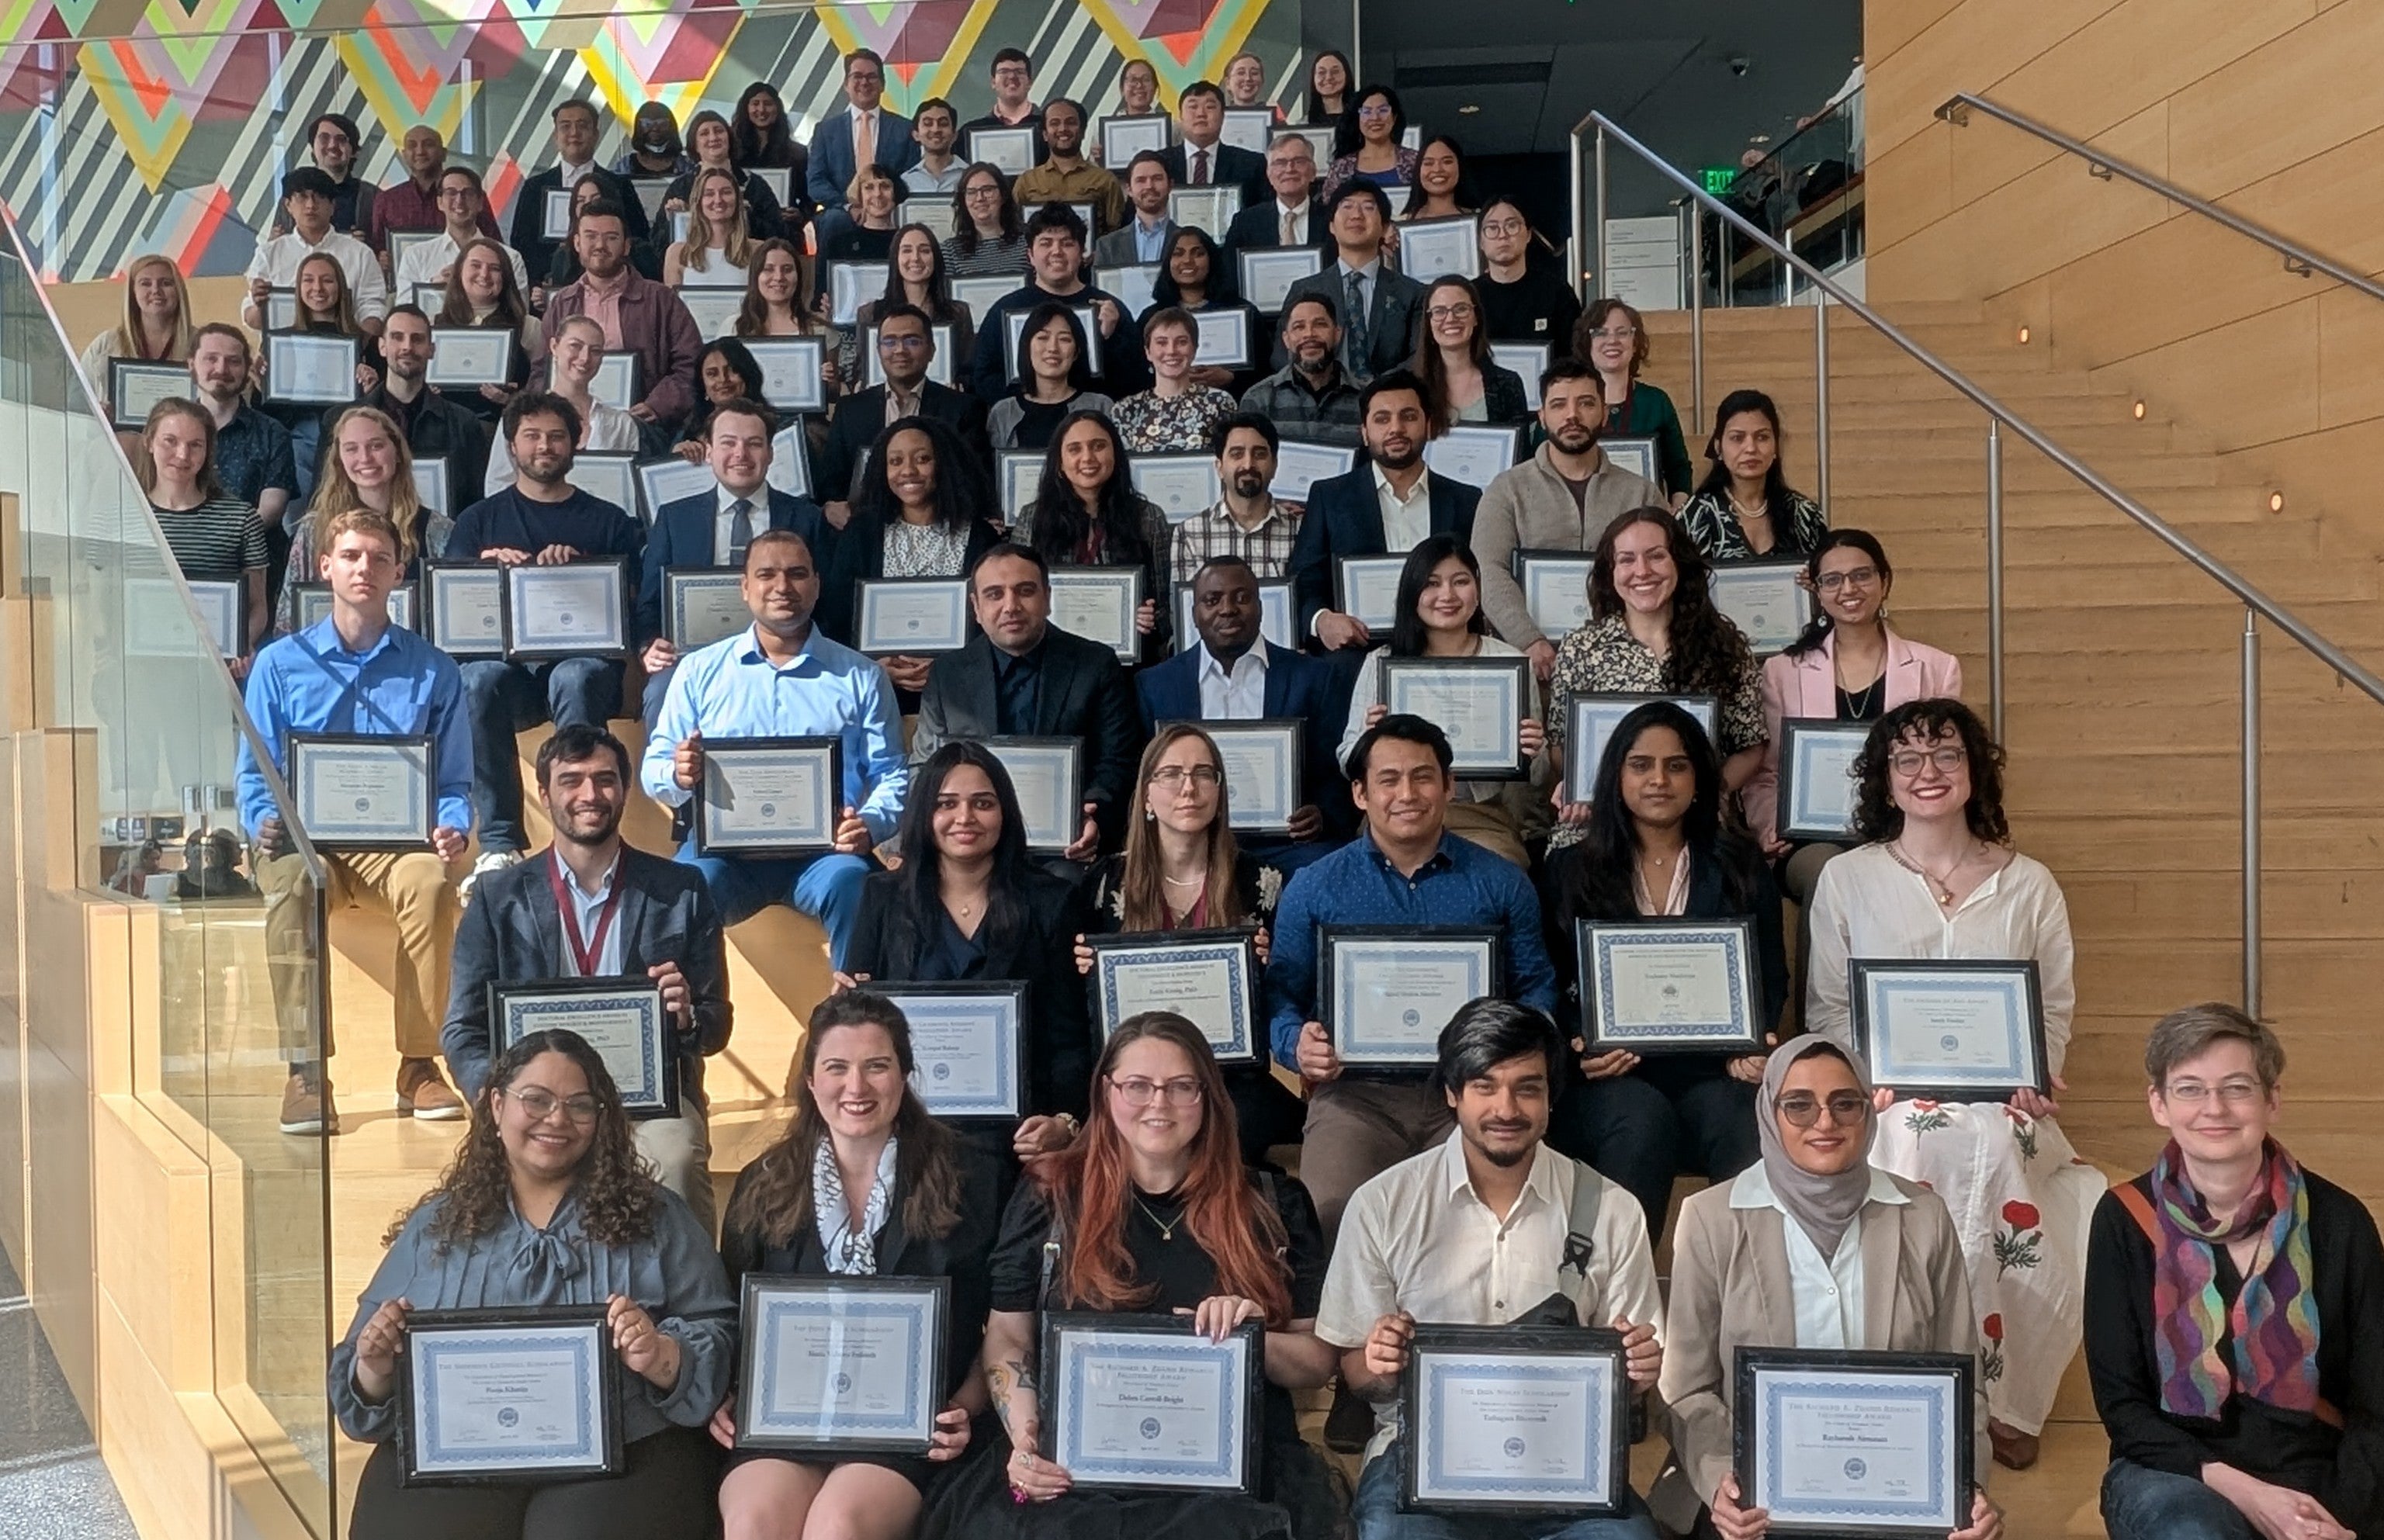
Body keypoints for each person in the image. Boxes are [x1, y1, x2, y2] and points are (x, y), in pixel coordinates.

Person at [1804, 697, 2101, 1472]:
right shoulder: (1847, 877)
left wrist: (2035, 1074)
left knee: (2000, 1140)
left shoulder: (2029, 883)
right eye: (1907, 758)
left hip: (2007, 1101)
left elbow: (2054, 1001)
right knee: (1907, 1139)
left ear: (1974, 773)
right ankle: (1913, 1378)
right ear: (1885, 778)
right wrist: (1863, 1085)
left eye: (1945, 755)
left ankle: (2000, 1394)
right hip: (1887, 1098)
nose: (1927, 771)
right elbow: (1830, 1007)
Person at [938, 1012, 1343, 1540]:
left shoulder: (1273, 1202)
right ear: (1106, 1092)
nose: (1159, 1103)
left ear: (1209, 1095)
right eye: (1138, 1085)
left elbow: (1317, 1360)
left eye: (1181, 1086)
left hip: (1230, 1466)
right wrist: (1026, 1436)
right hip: (1076, 1459)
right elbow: (1009, 1334)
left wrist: (1251, 1339)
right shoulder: (1049, 1194)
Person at [334, 1030, 733, 1540]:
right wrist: (374, 1366)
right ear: (497, 1105)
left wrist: (660, 1354)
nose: (557, 1119)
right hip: (459, 1455)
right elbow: (358, 1378)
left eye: (579, 1104)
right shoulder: (438, 1225)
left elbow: (719, 1334)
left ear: (602, 1117)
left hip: (629, 1452)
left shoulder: (659, 1218)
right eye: (536, 1100)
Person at [1318, 997, 1667, 1536]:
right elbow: (1356, 1372)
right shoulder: (1384, 1203)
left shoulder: (1612, 1209)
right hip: (1420, 1459)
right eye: (1484, 1085)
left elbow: (1635, 1377)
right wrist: (1378, 1361)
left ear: (1552, 1098)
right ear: (1453, 1094)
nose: (1507, 1108)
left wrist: (1640, 1370)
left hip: (1566, 1464)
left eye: (1528, 1087)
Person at [1655, 1037, 2004, 1540]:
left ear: (1868, 1110)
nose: (1825, 1121)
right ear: (1769, 1112)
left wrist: (1966, 1486)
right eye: (1798, 1105)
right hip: (1757, 1492)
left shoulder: (1923, 1215)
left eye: (1845, 1102)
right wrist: (1721, 1483)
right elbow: (1687, 1387)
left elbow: (1962, 1384)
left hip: (1896, 1487)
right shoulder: (1711, 1217)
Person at [2088, 1004, 2384, 1540]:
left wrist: (2337, 1519)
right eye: (2190, 1088)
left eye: (2237, 1087)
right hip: (2175, 1473)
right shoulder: (2123, 1220)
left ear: (2273, 1099)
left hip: (2321, 1469)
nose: (2215, 1108)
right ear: (2159, 1103)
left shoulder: (2341, 1221)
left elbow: (2377, 1399)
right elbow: (2122, 1407)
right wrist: (2251, 1494)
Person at [715, 991, 1000, 1539]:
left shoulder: (971, 1179)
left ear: (905, 1073)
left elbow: (1003, 1320)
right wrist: (727, 1392)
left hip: (905, 1426)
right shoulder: (762, 1181)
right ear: (810, 1080)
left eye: (877, 1066)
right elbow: (733, 1313)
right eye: (837, 1068)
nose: (857, 1087)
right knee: (754, 1521)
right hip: (788, 1422)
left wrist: (967, 1404)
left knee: (837, 1524)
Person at [1265, 713, 1558, 1241]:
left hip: (1471, 1094)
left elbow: (1536, 988)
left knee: (1490, 1232)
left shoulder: (1501, 883)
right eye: (1389, 779)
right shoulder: (1313, 887)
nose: (1408, 793)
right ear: (1359, 793)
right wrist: (1296, 1044)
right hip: (1356, 1096)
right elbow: (1282, 1000)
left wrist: (1513, 1056)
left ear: (1448, 785)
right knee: (1330, 1219)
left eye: (1423, 777)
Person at [239, 507, 472, 1133]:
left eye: (377, 557)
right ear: (324, 567)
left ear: (399, 572)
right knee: (292, 884)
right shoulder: (279, 664)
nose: (363, 567)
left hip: (392, 844)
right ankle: (307, 1072)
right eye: (350, 556)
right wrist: (262, 818)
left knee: (429, 881)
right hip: (302, 838)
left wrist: (451, 823)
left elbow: (453, 781)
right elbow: (254, 769)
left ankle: (418, 1066)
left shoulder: (434, 670)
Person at [443, 727, 733, 1226]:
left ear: (624, 790)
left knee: (677, 1158)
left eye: (604, 780)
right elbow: (462, 1031)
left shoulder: (681, 889)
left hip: (648, 1103)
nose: (589, 795)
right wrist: (497, 1099)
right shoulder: (497, 899)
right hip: (534, 1105)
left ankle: (695, 1299)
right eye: (571, 781)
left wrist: (686, 1018)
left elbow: (716, 1025)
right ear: (544, 793)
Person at [1542, 701, 1783, 1235]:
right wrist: (1579, 1046)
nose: (1658, 779)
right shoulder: (1570, 870)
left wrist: (1754, 1043)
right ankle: (1614, 1302)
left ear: (1699, 777)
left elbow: (1770, 972)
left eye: (1676, 765)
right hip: (1610, 1077)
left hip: (1713, 1070)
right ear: (1616, 776)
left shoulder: (1741, 865)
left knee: (1743, 1117)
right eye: (1640, 764)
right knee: (1640, 1120)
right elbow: (1551, 980)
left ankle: (1751, 1302)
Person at [643, 529, 908, 967]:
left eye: (797, 574)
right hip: (725, 857)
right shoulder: (698, 672)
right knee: (686, 888)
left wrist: (870, 824)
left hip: (825, 856)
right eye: (766, 574)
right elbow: (654, 767)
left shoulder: (861, 677)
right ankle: (693, 1024)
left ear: (817, 585)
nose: (782, 587)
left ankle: (858, 1017)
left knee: (856, 886)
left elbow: (891, 773)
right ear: (745, 588)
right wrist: (678, 774)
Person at [838, 742, 1094, 1174]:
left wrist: (1064, 1121)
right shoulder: (881, 897)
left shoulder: (1053, 901)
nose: (965, 818)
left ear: (1005, 813)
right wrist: (846, 1004)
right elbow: (861, 1017)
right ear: (924, 815)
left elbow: (1070, 1037)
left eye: (983, 803)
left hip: (1017, 1134)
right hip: (909, 1123)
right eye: (946, 804)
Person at [1073, 725, 1301, 1163]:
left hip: (1228, 1078)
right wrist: (1086, 971)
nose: (1189, 788)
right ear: (1145, 796)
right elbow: (1080, 1007)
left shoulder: (1262, 882)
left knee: (1235, 1127)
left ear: (1219, 791)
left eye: (1203, 773)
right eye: (1171, 774)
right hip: (1136, 1078)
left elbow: (1285, 995)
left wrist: (1267, 967)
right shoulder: (1104, 882)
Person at [449, 393, 647, 887]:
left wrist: (583, 569)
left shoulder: (608, 520)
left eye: (556, 436)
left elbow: (633, 603)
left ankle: (583, 832)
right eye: (532, 436)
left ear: (576, 442)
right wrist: (483, 571)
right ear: (512, 446)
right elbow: (450, 608)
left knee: (576, 674)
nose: (545, 446)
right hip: (511, 678)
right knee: (475, 679)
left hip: (583, 669)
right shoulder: (478, 522)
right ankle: (500, 845)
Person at [1743, 531, 1962, 911]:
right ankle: (1826, 975)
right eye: (1833, 580)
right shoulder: (1782, 671)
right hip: (1812, 841)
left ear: (1885, 581)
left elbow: (1947, 766)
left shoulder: (1936, 668)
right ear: (1818, 591)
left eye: (1862, 575)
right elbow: (1766, 774)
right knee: (1830, 872)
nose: (1849, 589)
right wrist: (1768, 827)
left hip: (1906, 829)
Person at [1544, 508, 1766, 852]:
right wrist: (1580, 786)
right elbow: (1561, 747)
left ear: (1679, 562)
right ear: (1611, 572)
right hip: (1600, 819)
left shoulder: (1725, 647)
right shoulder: (1580, 648)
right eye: (1627, 560)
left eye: (1656, 556)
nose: (1642, 571)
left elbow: (1751, 747)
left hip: (1698, 819)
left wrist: (1704, 793)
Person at [910, 544, 1142, 863]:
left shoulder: (1096, 665)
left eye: (1025, 591)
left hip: (1064, 849)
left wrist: (1092, 815)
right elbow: (926, 766)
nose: (1011, 606)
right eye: (994, 594)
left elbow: (1118, 760)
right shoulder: (948, 674)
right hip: (970, 846)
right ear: (975, 608)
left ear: (1047, 598)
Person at [1337, 537, 1543, 867]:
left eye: (1460, 582)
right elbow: (1347, 759)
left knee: (1498, 873)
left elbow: (1537, 778)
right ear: (1412, 593)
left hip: (1481, 817)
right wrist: (1368, 742)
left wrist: (1535, 752)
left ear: (1477, 591)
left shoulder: (1511, 664)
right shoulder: (1381, 663)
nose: (1447, 595)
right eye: (1432, 584)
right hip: (1396, 814)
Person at [1135, 555, 1349, 865]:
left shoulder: (1314, 677)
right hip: (1189, 843)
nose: (1228, 609)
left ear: (1261, 607)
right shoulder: (1155, 685)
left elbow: (1336, 771)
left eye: (1242, 598)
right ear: (1194, 614)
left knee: (1325, 866)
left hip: (1286, 845)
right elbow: (1142, 776)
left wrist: (1322, 813)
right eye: (1212, 600)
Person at [1469, 358, 1665, 680]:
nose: (1572, 415)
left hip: (1625, 664)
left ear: (1604, 412)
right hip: (1533, 664)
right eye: (1559, 405)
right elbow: (1487, 570)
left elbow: (1663, 569)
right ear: (1542, 417)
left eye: (1586, 403)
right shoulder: (1506, 489)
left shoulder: (1641, 493)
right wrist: (1527, 639)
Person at [634, 399, 829, 721]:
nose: (741, 454)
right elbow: (648, 603)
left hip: (784, 654)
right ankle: (664, 774)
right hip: (693, 658)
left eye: (754, 444)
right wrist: (648, 646)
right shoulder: (674, 519)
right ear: (709, 451)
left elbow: (827, 602)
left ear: (771, 453)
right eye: (728, 443)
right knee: (660, 691)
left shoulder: (806, 519)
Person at [1288, 369, 1481, 650]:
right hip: (1357, 651)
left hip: (1447, 649)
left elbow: (1480, 577)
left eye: (1409, 416)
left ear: (1428, 425)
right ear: (1364, 433)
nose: (1396, 429)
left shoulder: (1467, 500)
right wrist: (1322, 619)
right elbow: (1305, 579)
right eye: (1382, 419)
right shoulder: (1329, 496)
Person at [817, 416, 1005, 670]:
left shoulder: (981, 537)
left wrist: (947, 669)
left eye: (922, 459)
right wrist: (874, 667)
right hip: (876, 678)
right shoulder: (861, 533)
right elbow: (838, 616)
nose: (908, 471)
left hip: (962, 683)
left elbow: (992, 621)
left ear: (944, 464)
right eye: (896, 461)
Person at [277, 403, 452, 635]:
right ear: (339, 460)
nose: (365, 458)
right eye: (351, 449)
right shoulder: (313, 529)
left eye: (376, 446)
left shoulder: (437, 530)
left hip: (410, 664)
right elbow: (287, 621)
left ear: (398, 452)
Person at [1012, 410, 1168, 656]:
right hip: (1052, 658)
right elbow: (1020, 592)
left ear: (1115, 453)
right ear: (1059, 463)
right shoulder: (1032, 519)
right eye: (1075, 449)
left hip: (1126, 664)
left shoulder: (1149, 518)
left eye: (1098, 446)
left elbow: (1166, 605)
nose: (1088, 457)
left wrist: (1151, 618)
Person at [816, 306, 993, 521]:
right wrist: (834, 508)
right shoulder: (850, 410)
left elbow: (972, 482)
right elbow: (830, 483)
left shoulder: (963, 409)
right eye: (889, 342)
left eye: (912, 341)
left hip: (940, 522)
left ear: (932, 350)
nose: (900, 350)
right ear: (879, 351)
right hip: (866, 526)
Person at [538, 199, 702, 430]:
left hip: (644, 425)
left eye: (611, 237)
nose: (600, 245)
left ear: (626, 246)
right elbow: (540, 372)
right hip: (570, 426)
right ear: (576, 243)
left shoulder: (662, 300)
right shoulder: (561, 304)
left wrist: (658, 405)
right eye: (591, 236)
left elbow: (691, 364)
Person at [136, 397, 270, 670]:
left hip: (215, 671)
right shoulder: (120, 517)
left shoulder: (241, 519)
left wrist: (240, 647)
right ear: (149, 442)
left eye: (195, 445)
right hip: (139, 669)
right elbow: (102, 602)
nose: (183, 455)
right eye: (170, 441)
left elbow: (258, 607)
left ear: (208, 451)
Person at [315, 305, 490, 513]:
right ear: (382, 346)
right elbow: (323, 498)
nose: (407, 347)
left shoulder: (463, 423)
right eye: (397, 337)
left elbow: (477, 505)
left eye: (417, 339)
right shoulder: (338, 420)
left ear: (431, 350)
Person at [966, 206, 1145, 403]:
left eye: (1067, 244)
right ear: (1030, 255)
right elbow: (983, 379)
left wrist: (1110, 340)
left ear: (1082, 253)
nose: (1056, 251)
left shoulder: (1110, 310)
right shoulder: (1005, 310)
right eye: (1046, 243)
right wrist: (1033, 402)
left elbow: (1135, 383)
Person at [261, 251, 383, 507]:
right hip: (297, 441)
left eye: (327, 280)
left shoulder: (365, 342)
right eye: (308, 280)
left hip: (346, 440)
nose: (317, 288)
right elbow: (268, 412)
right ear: (298, 288)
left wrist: (371, 389)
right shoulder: (279, 342)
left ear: (340, 286)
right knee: (300, 519)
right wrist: (258, 384)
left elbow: (379, 408)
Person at [1279, 181, 1426, 379]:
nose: (1356, 215)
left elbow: (1420, 355)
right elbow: (1281, 355)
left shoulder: (1412, 293)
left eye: (1368, 207)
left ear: (1384, 228)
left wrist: (1379, 390)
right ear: (1331, 226)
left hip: (1389, 400)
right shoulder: (1304, 289)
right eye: (1347, 206)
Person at [483, 314, 643, 492]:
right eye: (575, 346)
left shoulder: (622, 424)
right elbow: (498, 484)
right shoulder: (519, 415)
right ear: (554, 346)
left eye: (595, 351)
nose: (585, 358)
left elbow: (627, 490)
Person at [509, 99, 653, 283]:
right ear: (555, 136)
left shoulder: (620, 185)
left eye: (582, 126)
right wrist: (545, 280)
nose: (574, 133)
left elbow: (638, 237)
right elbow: (522, 243)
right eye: (566, 126)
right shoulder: (535, 187)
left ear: (596, 134)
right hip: (548, 291)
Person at [1678, 389, 1829, 562]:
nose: (1750, 448)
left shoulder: (1804, 515)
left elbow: (1826, 576)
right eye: (1737, 438)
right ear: (1718, 447)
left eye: (1762, 437)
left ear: (1776, 445)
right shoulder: (1696, 514)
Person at [244, 166, 390, 333]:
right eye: (302, 197)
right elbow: (251, 318)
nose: (310, 205)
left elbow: (373, 309)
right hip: (284, 351)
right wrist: (259, 306)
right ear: (288, 205)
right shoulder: (268, 253)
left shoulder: (361, 254)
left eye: (319, 197)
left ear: (332, 206)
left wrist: (356, 347)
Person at [188, 324, 297, 542]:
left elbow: (272, 511)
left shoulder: (273, 434)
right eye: (211, 359)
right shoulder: (171, 431)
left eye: (234, 361)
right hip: (183, 552)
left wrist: (223, 543)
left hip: (254, 558)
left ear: (248, 368)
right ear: (191, 364)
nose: (222, 369)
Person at [1576, 299, 1693, 504]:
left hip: (1645, 520)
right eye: (1601, 333)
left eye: (1622, 333)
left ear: (1635, 342)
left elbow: (1678, 469)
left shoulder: (1656, 401)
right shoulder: (1571, 402)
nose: (1612, 340)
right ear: (1588, 343)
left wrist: (1677, 510)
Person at [841, 223, 972, 392]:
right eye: (907, 250)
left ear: (936, 258)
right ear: (895, 258)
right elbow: (859, 372)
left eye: (925, 251)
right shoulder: (870, 313)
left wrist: (959, 385)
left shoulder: (958, 313)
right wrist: (861, 384)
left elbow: (970, 371)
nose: (915, 258)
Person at [1172, 412, 1302, 580]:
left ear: (1275, 465)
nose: (1248, 464)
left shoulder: (1299, 531)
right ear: (1219, 467)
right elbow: (1185, 604)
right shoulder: (1188, 533)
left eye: (1259, 454)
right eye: (1237, 454)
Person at [434, 235, 540, 424]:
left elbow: (542, 389)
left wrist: (512, 400)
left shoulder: (529, 326)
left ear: (505, 276)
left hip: (504, 429)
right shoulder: (433, 324)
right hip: (445, 429)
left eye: (495, 269)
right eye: (476, 265)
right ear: (459, 271)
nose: (484, 275)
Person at [1239, 291, 1364, 447]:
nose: (1309, 334)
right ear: (1286, 339)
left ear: (1337, 334)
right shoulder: (1258, 398)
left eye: (1320, 324)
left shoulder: (1367, 398)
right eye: (1299, 327)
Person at [986, 304, 1114, 452]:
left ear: (1077, 352)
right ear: (1026, 347)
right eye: (1042, 337)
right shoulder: (1003, 412)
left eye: (1064, 339)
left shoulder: (1101, 406)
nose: (1053, 348)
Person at [1110, 306, 1239, 452]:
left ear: (1195, 349)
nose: (1171, 351)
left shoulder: (1219, 402)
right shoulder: (1125, 410)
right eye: (1162, 343)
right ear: (1148, 352)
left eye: (1182, 342)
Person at [657, 110, 788, 253]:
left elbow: (780, 236)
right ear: (695, 145)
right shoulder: (681, 188)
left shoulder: (754, 185)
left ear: (729, 139)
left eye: (719, 131)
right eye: (704, 133)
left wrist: (748, 217)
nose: (713, 137)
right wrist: (671, 222)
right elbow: (657, 245)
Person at [810, 50, 920, 219]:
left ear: (883, 85)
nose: (864, 82)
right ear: (846, 84)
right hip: (842, 214)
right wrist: (847, 207)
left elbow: (911, 178)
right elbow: (816, 182)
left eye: (871, 77)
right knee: (832, 222)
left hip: (892, 213)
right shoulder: (825, 131)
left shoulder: (905, 129)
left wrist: (883, 206)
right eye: (857, 76)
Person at [1148, 227, 1260, 393]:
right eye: (1178, 253)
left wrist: (1232, 378)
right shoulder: (1151, 317)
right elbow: (1137, 374)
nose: (1187, 260)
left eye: (1197, 253)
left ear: (1212, 259)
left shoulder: (1244, 312)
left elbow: (1264, 372)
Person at [392, 164, 528, 298]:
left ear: (481, 202)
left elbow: (520, 314)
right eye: (451, 193)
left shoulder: (510, 258)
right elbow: (404, 311)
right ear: (440, 202)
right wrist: (433, 286)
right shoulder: (415, 255)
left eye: (467, 193)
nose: (459, 200)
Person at [1411, 275, 1526, 427]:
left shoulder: (1508, 384)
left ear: (1476, 317)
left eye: (1461, 309)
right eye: (1439, 311)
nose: (1450, 318)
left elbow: (1519, 447)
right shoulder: (1408, 385)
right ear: (1428, 322)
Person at [78, 251, 195, 395]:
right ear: (133, 293)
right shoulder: (105, 346)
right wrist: (100, 411)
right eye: (145, 283)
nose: (156, 290)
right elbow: (77, 401)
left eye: (166, 283)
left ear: (178, 291)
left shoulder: (201, 344)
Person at [1475, 196, 1583, 348]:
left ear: (1528, 234)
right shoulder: (1469, 297)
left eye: (1512, 225)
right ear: (1480, 241)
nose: (1502, 235)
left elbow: (1575, 354)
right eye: (1492, 228)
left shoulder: (1557, 293)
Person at [1012, 99, 1125, 237]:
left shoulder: (1106, 180)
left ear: (1083, 131)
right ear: (1045, 134)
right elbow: (1015, 232)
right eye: (1054, 123)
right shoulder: (1027, 182)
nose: (1063, 129)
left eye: (1071, 123)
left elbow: (1116, 233)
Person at [1223, 131, 1329, 269]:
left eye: (1299, 162)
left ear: (1313, 172)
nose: (1290, 169)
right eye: (1280, 163)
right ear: (1269, 174)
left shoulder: (1333, 219)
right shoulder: (1244, 223)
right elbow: (1230, 277)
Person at [1159, 81, 1264, 203]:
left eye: (1210, 107)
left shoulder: (1251, 165)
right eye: (1193, 107)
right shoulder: (1159, 163)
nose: (1201, 114)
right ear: (1181, 117)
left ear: (1223, 116)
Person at [729, 81, 810, 238]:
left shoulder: (797, 153)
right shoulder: (732, 152)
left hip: (784, 228)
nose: (761, 110)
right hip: (741, 226)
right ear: (746, 108)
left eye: (768, 104)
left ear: (777, 108)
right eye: (755, 104)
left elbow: (809, 198)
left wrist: (801, 215)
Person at [662, 166, 757, 289]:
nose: (718, 200)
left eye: (726, 192)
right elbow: (671, 306)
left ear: (738, 200)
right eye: (709, 194)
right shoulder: (677, 253)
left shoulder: (758, 251)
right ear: (698, 202)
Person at [674, 338, 769, 454]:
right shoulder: (690, 433)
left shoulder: (776, 429)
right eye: (712, 374)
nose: (723, 380)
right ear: (703, 384)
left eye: (731, 370)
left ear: (748, 375)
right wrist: (677, 456)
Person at [1322, 86, 1419, 200]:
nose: (1375, 118)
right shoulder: (1341, 167)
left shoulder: (1415, 161)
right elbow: (1331, 209)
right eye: (1367, 112)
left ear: (1394, 117)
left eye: (1383, 110)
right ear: (1358, 119)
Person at [292, 111, 376, 237]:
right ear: (312, 148)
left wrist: (368, 246)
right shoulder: (293, 193)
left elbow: (385, 246)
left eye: (341, 140)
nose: (332, 146)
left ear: (354, 151)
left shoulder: (373, 197)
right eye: (324, 138)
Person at [942, 163, 1031, 279]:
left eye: (987, 190)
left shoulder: (1027, 241)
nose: (980, 198)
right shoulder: (950, 251)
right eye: (972, 192)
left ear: (1003, 195)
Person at [1090, 151, 1175, 267]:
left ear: (1170, 185)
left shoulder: (1187, 240)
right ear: (1129, 189)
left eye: (1157, 178)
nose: (1149, 186)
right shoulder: (1107, 245)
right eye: (1141, 180)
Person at [958, 47, 1045, 158]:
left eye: (1019, 72)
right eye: (1004, 72)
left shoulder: (1049, 128)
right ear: (993, 82)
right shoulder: (969, 133)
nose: (1012, 77)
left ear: (1030, 82)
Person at [822, 163, 903, 262]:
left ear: (896, 193)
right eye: (869, 187)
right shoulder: (840, 244)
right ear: (859, 195)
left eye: (885, 186)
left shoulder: (906, 241)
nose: (877, 194)